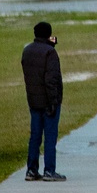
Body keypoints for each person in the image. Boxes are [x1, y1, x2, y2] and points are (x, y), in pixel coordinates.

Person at [21, 20, 65, 181]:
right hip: (48, 101)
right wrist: (54, 101)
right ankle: (49, 170)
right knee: (50, 136)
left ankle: (31, 170)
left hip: (33, 100)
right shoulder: (50, 53)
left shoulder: (27, 51)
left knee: (35, 136)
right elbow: (51, 79)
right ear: (48, 34)